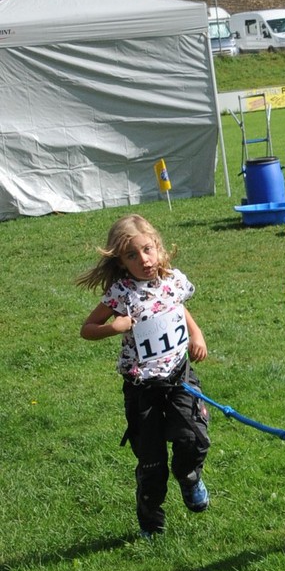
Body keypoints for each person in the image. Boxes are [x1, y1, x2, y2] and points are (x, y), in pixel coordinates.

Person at [77, 214, 211, 538]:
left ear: (158, 246)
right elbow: (86, 329)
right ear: (121, 262)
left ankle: (189, 475)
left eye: (147, 250)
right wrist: (114, 327)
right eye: (132, 256)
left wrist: (197, 334)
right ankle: (151, 518)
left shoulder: (173, 280)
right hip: (142, 389)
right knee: (151, 463)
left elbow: (178, 307)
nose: (144, 260)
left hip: (179, 378)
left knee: (194, 438)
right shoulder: (121, 293)